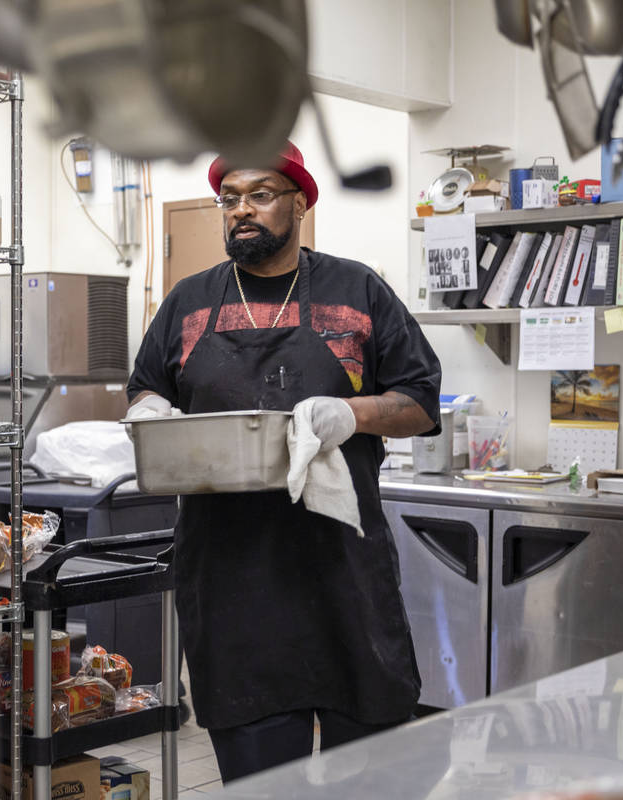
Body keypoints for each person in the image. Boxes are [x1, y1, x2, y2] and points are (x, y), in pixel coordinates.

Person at [125, 142, 442, 784]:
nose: (242, 210)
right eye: (230, 198)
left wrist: (354, 415)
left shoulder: (358, 291)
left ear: (299, 202)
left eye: (261, 195)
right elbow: (146, 385)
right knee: (260, 780)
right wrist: (152, 411)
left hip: (342, 572)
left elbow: (422, 401)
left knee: (372, 774)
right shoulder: (189, 301)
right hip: (231, 579)